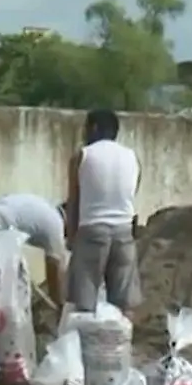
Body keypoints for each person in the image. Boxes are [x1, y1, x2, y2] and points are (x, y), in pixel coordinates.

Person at [64, 108, 142, 315]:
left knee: (83, 303)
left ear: (94, 128)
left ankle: (84, 345)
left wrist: (71, 237)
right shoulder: (132, 157)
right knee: (124, 305)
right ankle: (121, 344)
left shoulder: (82, 156)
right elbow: (132, 192)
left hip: (92, 232)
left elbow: (74, 201)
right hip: (124, 233)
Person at [0, 193, 66, 308]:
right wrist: (61, 307)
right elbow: (55, 271)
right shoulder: (56, 224)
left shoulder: (46, 209)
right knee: (4, 289)